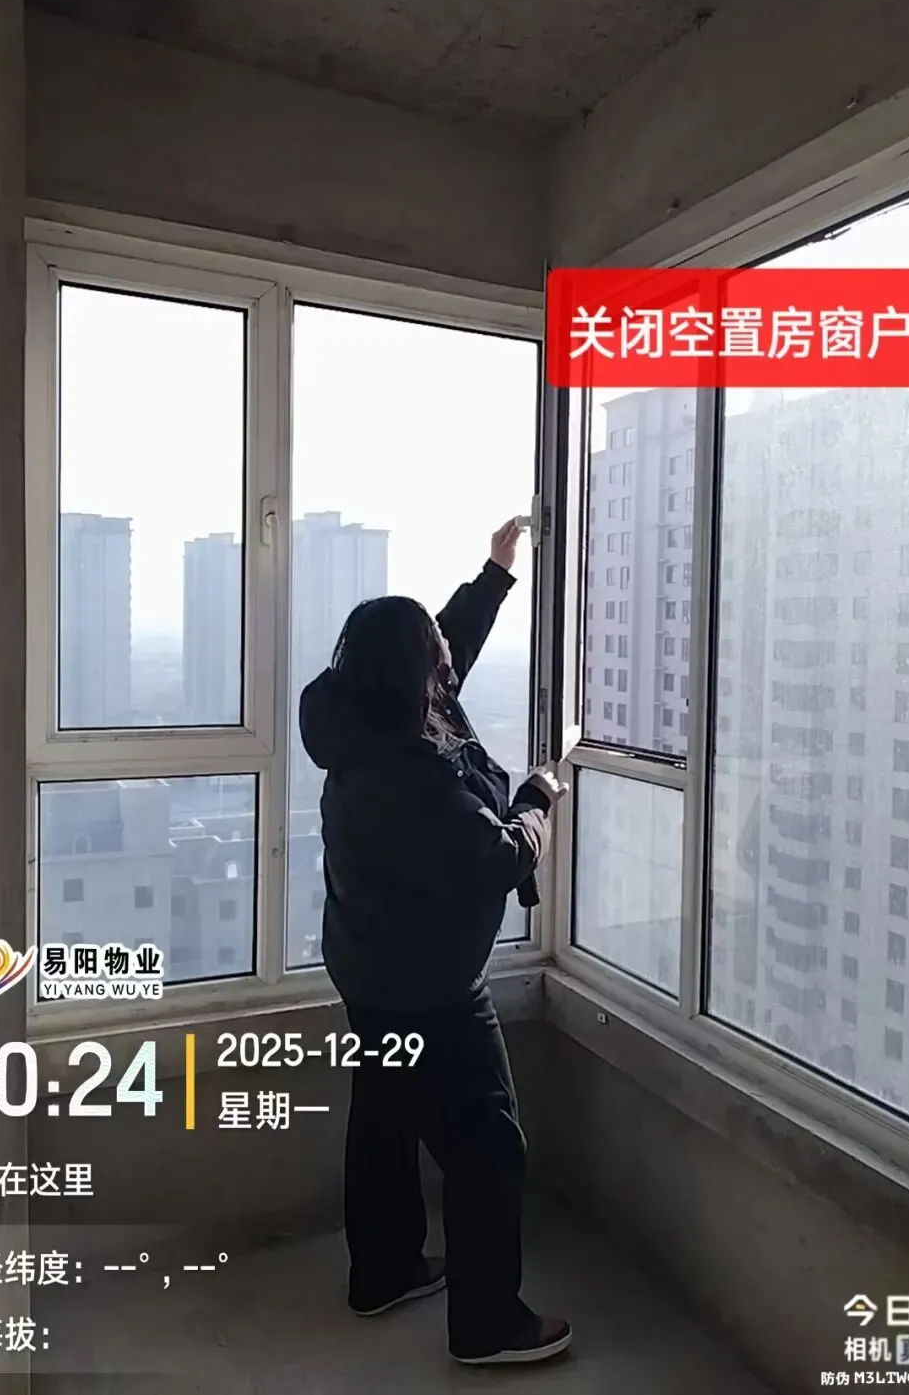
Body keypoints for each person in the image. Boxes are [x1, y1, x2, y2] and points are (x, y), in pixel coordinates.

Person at [298, 517, 571, 1366]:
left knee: (385, 1115)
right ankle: (487, 1323)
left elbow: (445, 643)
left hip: (371, 966)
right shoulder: (404, 774)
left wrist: (494, 575)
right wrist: (538, 797)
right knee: (488, 1145)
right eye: (436, 658)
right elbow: (492, 858)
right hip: (429, 987)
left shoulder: (361, 714)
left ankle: (383, 1270)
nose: (449, 663)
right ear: (414, 674)